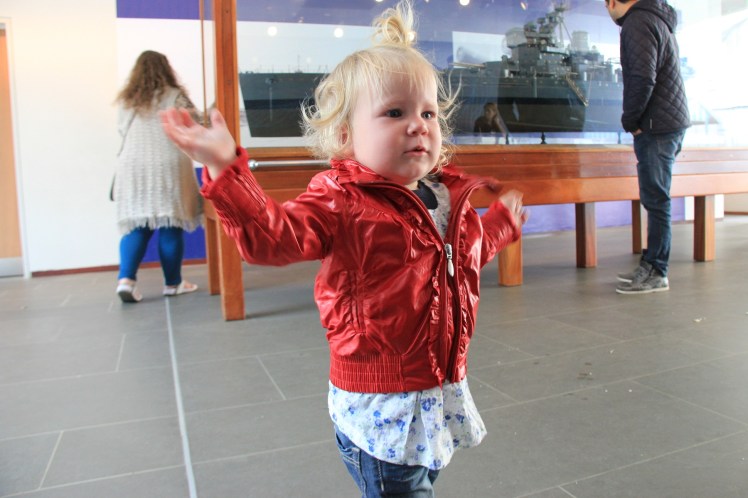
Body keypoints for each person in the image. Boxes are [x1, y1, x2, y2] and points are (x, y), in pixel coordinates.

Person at [161, 1, 527, 495]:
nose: (418, 124)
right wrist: (226, 169)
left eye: (427, 112)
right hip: (380, 403)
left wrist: (500, 225)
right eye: (394, 113)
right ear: (345, 136)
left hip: (436, 391)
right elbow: (272, 238)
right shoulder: (341, 201)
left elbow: (464, 256)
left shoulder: (444, 197)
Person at [604, 0, 690, 295]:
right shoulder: (657, 17)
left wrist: (630, 120)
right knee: (656, 199)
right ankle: (651, 264)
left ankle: (657, 271)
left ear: (612, 2)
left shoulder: (637, 22)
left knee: (656, 199)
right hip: (668, 122)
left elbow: (642, 77)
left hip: (656, 125)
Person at [113, 50, 203, 303]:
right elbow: (194, 122)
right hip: (168, 165)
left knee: (137, 225)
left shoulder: (127, 100)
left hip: (132, 167)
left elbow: (121, 129)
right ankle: (173, 283)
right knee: (170, 224)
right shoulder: (175, 95)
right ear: (166, 69)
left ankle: (126, 281)